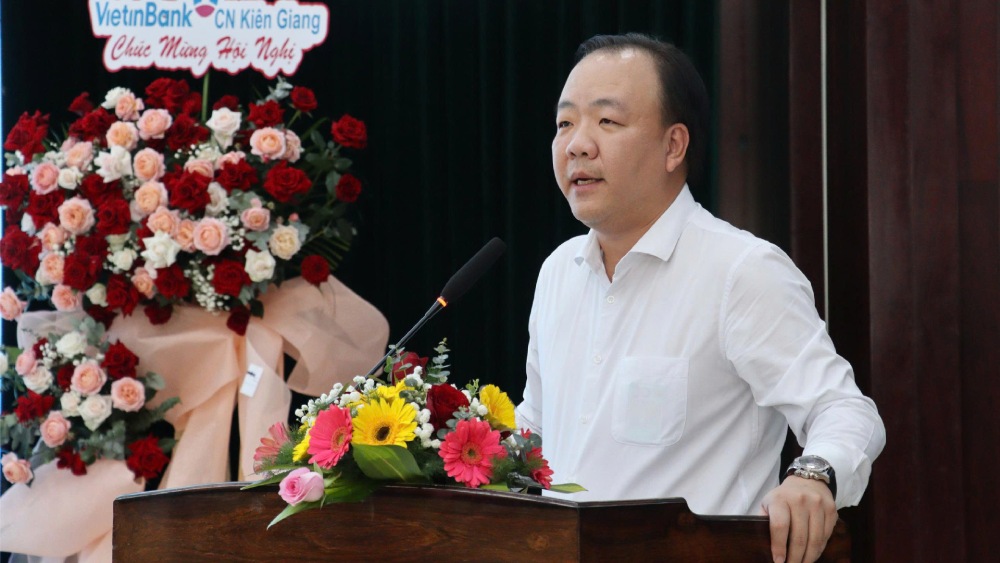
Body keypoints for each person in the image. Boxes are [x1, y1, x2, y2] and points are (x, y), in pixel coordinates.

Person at [514, 33, 885, 563]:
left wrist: (813, 475)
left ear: (674, 146)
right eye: (565, 123)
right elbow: (534, 431)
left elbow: (843, 409)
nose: (577, 144)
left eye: (607, 121)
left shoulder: (741, 272)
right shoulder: (558, 272)